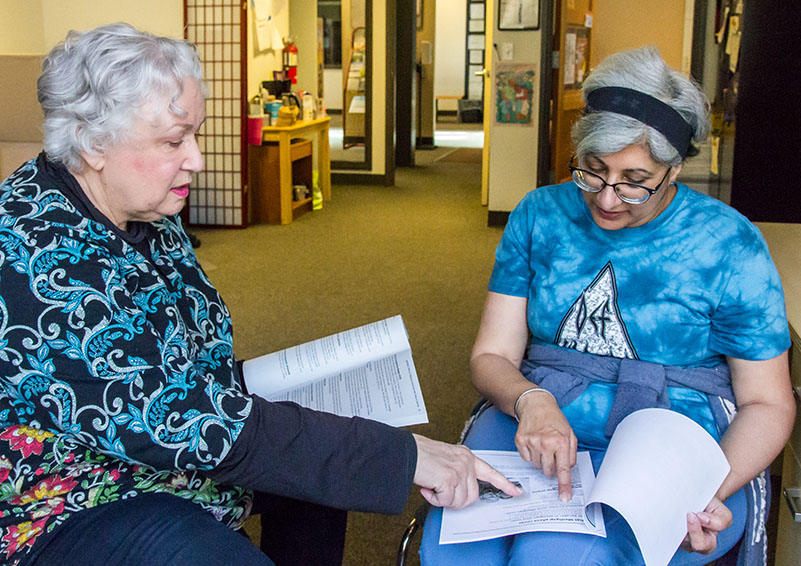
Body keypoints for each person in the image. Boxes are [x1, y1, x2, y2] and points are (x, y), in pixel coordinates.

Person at [0, 23, 520, 566]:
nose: (196, 159)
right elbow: (186, 422)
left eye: (195, 135)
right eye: (175, 141)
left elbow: (184, 358)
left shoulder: (142, 207)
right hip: (69, 498)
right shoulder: (33, 257)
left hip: (167, 445)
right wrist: (405, 457)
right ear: (92, 143)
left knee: (324, 465)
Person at [420, 46, 795, 566]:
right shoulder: (539, 215)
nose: (608, 199)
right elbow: (493, 356)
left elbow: (768, 404)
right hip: (536, 414)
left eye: (635, 182)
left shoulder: (729, 243)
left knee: (550, 556)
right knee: (462, 539)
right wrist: (531, 401)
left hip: (673, 440)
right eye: (593, 172)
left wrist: (705, 489)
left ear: (675, 167)